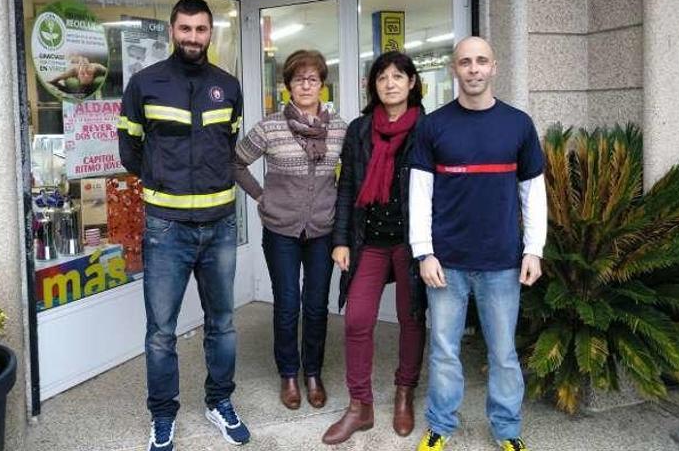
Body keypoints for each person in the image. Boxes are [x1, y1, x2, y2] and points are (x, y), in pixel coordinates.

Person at [117, 0, 250, 451]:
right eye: (185, 29)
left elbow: (228, 143)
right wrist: (163, 182)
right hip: (166, 228)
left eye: (201, 29)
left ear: (211, 33)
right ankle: (162, 415)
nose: (193, 37)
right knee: (160, 331)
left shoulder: (229, 86)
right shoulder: (144, 84)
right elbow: (130, 150)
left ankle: (220, 402)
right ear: (172, 30)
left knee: (223, 323)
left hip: (220, 226)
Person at [409, 36, 547, 451]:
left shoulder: (518, 124)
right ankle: (440, 426)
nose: (473, 69)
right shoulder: (433, 126)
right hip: (446, 262)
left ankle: (506, 430)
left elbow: (533, 192)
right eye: (465, 62)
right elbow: (420, 193)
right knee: (444, 352)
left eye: (481, 61)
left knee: (504, 354)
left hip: (502, 261)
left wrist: (534, 249)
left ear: (494, 67)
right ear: (454, 69)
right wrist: (423, 251)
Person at [322, 51, 428, 445]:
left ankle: (404, 392)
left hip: (411, 242)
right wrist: (340, 240)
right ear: (374, 85)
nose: (390, 83)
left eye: (398, 76)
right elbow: (347, 185)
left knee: (411, 317)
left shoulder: (427, 130)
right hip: (369, 239)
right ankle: (360, 406)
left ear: (412, 82)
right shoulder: (361, 129)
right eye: (382, 76)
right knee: (357, 319)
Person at [233, 50, 347, 411]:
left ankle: (312, 372)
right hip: (280, 230)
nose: (306, 85)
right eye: (299, 79)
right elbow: (235, 163)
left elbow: (352, 176)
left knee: (315, 305)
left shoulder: (340, 128)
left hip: (322, 230)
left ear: (322, 85)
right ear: (288, 86)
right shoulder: (270, 127)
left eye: (313, 79)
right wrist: (261, 196)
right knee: (287, 304)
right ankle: (288, 374)